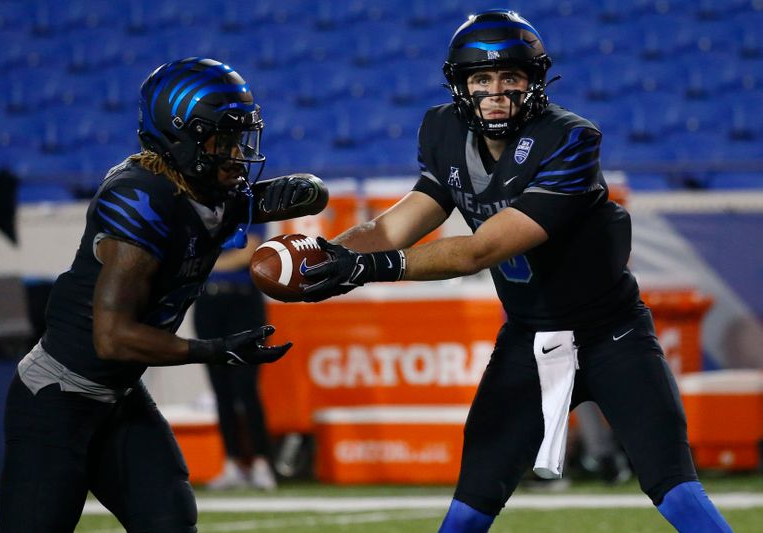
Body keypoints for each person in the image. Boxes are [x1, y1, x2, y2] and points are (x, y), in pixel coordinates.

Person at [302, 10, 733, 533]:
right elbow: (392, 228)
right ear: (460, 85)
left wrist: (366, 268)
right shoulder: (443, 130)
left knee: (674, 487)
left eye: (511, 77)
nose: (496, 91)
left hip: (612, 336)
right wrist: (321, 255)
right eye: (481, 78)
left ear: (535, 81)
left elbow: (480, 251)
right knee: (471, 502)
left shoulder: (569, 138)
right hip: (529, 339)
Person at [0, 57, 328, 532]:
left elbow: (282, 199)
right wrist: (214, 351)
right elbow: (111, 337)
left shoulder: (203, 187)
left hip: (119, 395)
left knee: (171, 521)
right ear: (182, 136)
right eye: (223, 138)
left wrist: (305, 191)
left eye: (240, 138)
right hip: (58, 397)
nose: (236, 152)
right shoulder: (140, 199)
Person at [193, 224, 277, 491]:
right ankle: (232, 463)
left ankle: (262, 463)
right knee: (221, 389)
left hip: (243, 302)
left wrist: (208, 264)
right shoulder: (201, 212)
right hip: (208, 302)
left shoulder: (248, 206)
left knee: (246, 386)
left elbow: (249, 252)